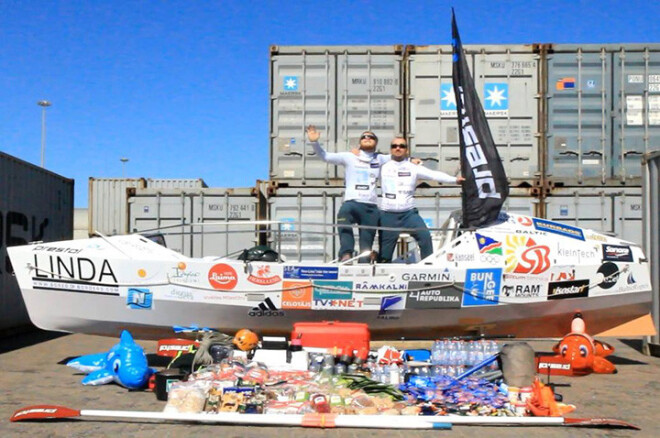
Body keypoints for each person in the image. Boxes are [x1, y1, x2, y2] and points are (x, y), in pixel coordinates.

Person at [306, 125, 389, 262]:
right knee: (343, 219)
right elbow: (325, 156)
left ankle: (364, 262)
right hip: (351, 202)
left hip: (370, 206)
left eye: (371, 137)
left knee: (366, 242)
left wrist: (412, 160)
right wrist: (314, 142)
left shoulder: (380, 159)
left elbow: (399, 156)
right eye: (364, 137)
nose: (367, 138)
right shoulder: (349, 156)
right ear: (359, 142)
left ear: (376, 143)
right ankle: (346, 253)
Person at [378, 136, 465, 262]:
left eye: (402, 146)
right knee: (385, 254)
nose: (398, 148)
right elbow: (363, 165)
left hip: (408, 213)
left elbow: (434, 175)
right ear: (390, 149)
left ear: (407, 150)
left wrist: (455, 180)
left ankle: (428, 266)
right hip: (387, 214)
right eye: (394, 146)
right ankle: (382, 275)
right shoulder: (382, 166)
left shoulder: (413, 167)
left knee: (425, 238)